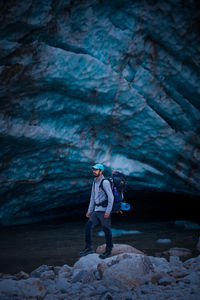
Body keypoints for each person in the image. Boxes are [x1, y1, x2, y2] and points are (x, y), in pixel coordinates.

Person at [79, 163, 114, 259]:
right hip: (96, 210)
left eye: (96, 169)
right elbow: (92, 198)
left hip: (104, 210)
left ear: (101, 171)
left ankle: (108, 251)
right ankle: (89, 248)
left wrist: (108, 211)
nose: (94, 171)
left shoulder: (105, 182)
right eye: (93, 169)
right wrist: (89, 211)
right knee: (88, 226)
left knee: (106, 230)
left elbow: (111, 197)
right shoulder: (94, 182)